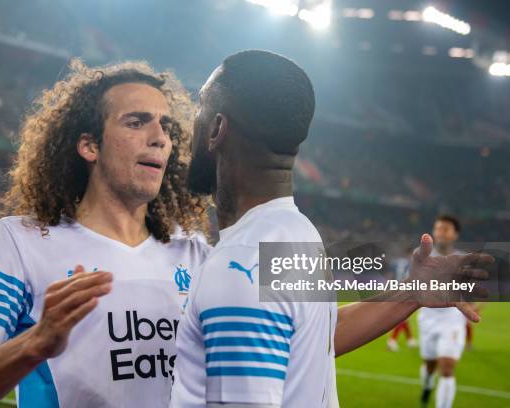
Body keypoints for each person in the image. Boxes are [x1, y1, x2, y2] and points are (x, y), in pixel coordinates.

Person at [170, 50, 488, 408]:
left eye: (199, 106)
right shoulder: (296, 233)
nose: (190, 122)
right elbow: (309, 340)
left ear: (216, 129)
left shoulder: (239, 264)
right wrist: (410, 293)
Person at [0, 60, 210, 407]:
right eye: (137, 122)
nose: (159, 139)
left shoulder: (195, 253)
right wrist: (36, 342)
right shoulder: (20, 241)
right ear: (89, 146)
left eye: (166, 126)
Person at [418, 215, 466, 408]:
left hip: (451, 321)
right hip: (427, 319)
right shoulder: (420, 257)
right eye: (438, 228)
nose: (441, 233)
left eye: (446, 229)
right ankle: (427, 386)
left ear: (455, 234)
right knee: (430, 367)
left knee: (446, 367)